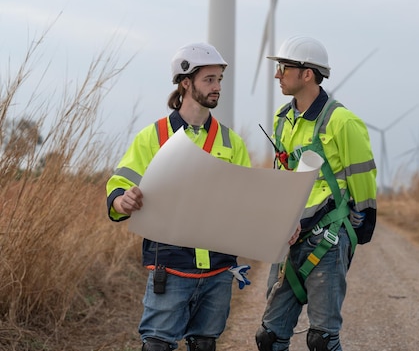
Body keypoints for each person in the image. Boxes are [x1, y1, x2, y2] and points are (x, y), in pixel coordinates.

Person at [106, 42, 252, 351]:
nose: (217, 87)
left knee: (205, 344)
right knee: (157, 345)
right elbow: (120, 185)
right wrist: (122, 201)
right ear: (185, 83)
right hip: (170, 267)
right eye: (209, 80)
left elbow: (248, 201)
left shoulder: (231, 142)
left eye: (220, 80)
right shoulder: (153, 136)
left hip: (219, 268)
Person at [255, 36, 377, 351]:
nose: (276, 74)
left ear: (307, 74)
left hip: (329, 235)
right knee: (268, 338)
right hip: (291, 232)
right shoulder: (282, 120)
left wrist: (359, 225)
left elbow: (363, 178)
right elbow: (282, 175)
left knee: (321, 340)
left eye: (283, 67)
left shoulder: (342, 121)